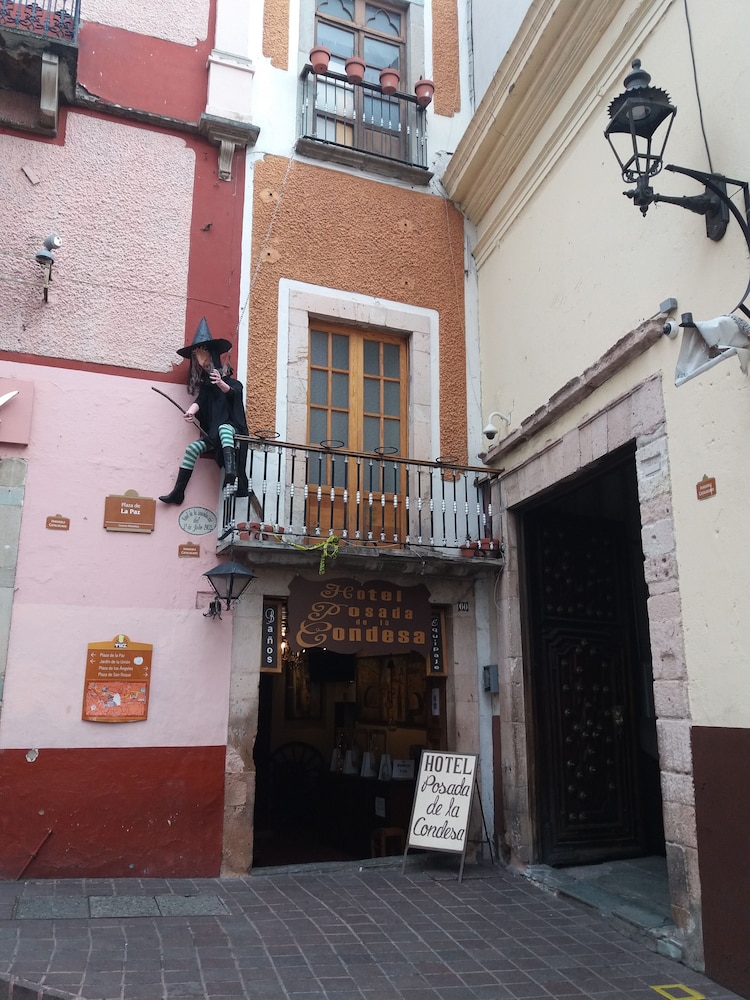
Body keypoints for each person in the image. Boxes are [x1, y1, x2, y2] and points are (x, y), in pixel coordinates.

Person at [159, 318, 249, 505]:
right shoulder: (207, 389)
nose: (203, 364)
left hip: (233, 432)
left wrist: (221, 383)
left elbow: (232, 393)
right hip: (214, 436)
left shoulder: (235, 384)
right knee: (192, 449)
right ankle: (178, 492)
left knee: (225, 428)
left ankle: (231, 471)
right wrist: (191, 412)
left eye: (206, 359)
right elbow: (200, 401)